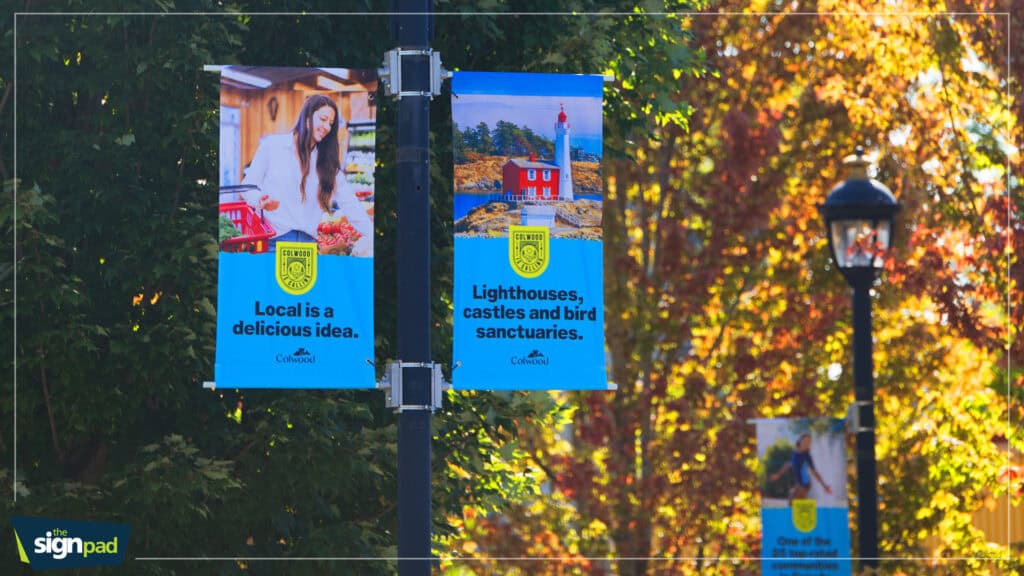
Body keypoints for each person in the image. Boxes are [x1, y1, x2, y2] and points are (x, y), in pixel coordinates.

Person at [240, 94, 373, 256]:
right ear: (307, 117)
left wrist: (372, 236)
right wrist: (260, 199)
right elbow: (247, 187)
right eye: (323, 119)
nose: (327, 127)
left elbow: (350, 203)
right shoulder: (272, 147)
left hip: (308, 247)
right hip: (272, 244)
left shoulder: (326, 163)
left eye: (331, 123)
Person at [769, 433, 832, 502]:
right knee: (795, 503)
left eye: (809, 442)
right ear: (800, 441)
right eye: (805, 441)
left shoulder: (807, 456)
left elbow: (814, 472)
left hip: (804, 483)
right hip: (799, 483)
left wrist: (824, 485)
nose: (807, 443)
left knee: (795, 501)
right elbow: (788, 464)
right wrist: (778, 474)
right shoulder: (795, 453)